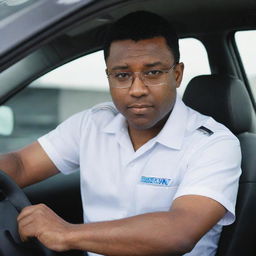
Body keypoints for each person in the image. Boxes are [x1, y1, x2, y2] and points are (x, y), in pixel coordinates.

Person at [0, 11, 241, 256]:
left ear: (176, 75)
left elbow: (179, 231)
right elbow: (20, 165)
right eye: (123, 75)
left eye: (153, 73)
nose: (137, 90)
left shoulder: (214, 144)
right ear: (109, 77)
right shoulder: (91, 124)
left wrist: (66, 233)